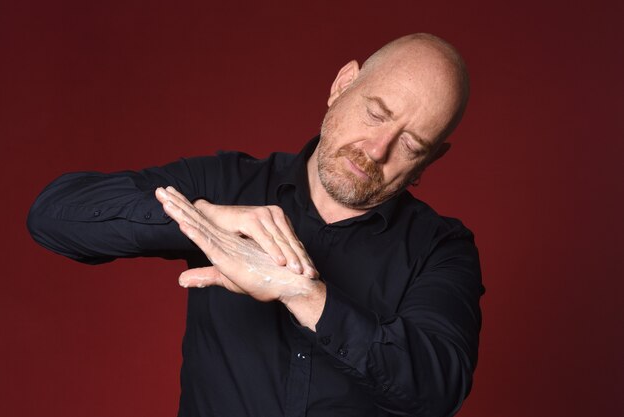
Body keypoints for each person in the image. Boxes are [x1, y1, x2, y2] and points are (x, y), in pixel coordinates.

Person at [27, 33, 484, 417]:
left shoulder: (442, 248)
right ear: (343, 84)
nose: (377, 149)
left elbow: (436, 389)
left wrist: (304, 295)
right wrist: (206, 218)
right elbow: (53, 216)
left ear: (431, 160)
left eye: (410, 143)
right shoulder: (227, 182)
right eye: (376, 113)